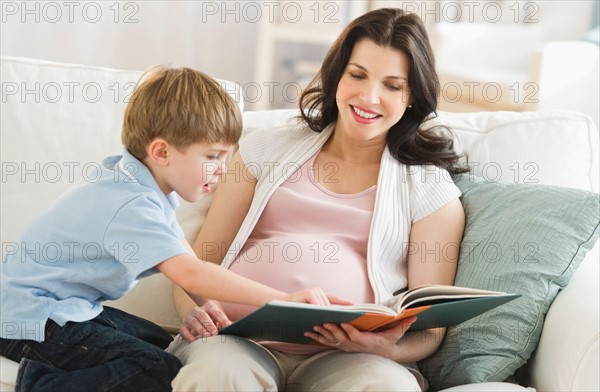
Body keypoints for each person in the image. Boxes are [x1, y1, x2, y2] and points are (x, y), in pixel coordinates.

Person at [169, 8, 467, 391]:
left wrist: (384, 349)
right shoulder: (264, 150)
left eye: (392, 85)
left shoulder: (430, 191)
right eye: (357, 75)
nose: (369, 97)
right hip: (237, 342)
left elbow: (430, 332)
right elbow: (193, 269)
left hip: (351, 360)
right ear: (337, 76)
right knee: (217, 376)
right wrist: (194, 314)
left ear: (412, 95)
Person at [0, 66, 345, 392]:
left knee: (164, 346)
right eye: (212, 157)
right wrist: (281, 300)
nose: (222, 170)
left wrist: (207, 306)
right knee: (155, 367)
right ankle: (35, 383)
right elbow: (192, 272)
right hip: (28, 319)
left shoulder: (144, 187)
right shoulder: (130, 204)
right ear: (162, 151)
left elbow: (184, 258)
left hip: (64, 309)